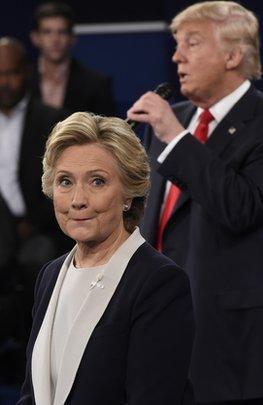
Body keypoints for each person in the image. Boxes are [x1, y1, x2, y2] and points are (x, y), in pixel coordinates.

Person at [127, 1, 263, 404]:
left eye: (192, 42)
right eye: (176, 44)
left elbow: (242, 207)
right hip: (161, 327)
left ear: (232, 55)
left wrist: (177, 137)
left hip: (236, 347)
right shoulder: (170, 121)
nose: (177, 55)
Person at [17, 112, 195, 405]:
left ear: (129, 193)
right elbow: (33, 393)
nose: (78, 199)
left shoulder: (158, 282)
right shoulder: (50, 275)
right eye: (65, 182)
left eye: (97, 182)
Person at [0, 36, 69, 391]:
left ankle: (35, 364)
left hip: (37, 228)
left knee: (40, 261)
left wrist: (34, 224)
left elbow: (62, 181)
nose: (4, 82)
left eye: (10, 73)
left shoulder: (50, 121)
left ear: (25, 72)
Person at [30, 2, 114, 115]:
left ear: (72, 38)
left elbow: (105, 130)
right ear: (35, 38)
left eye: (62, 32)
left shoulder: (96, 84)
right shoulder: (23, 80)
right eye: (47, 32)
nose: (55, 40)